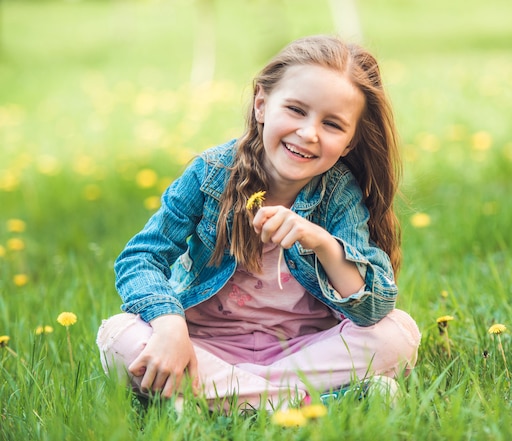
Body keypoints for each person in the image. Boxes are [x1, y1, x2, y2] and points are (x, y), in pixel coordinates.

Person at [97, 35, 421, 413]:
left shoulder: (338, 193)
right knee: (117, 335)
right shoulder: (212, 174)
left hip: (302, 352)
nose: (309, 133)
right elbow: (140, 257)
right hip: (205, 346)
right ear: (261, 104)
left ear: (350, 143)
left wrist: (321, 242)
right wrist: (170, 327)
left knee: (398, 333)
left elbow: (372, 310)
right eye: (296, 110)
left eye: (332, 124)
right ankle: (309, 405)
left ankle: (223, 401)